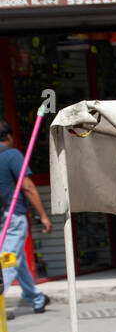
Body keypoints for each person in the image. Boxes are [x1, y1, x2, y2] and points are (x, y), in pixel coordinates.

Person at [0, 119, 51, 314]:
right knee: (8, 259)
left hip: (1, 216)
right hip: (12, 216)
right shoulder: (13, 155)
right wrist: (43, 215)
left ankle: (35, 298)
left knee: (15, 258)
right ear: (9, 136)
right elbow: (28, 186)